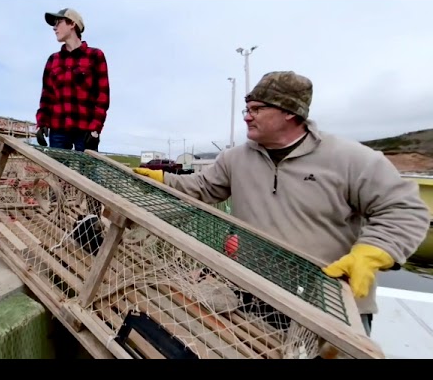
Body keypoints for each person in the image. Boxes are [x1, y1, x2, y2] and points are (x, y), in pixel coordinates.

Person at [133, 70, 430, 337]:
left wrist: (374, 251)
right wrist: (163, 180)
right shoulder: (235, 159)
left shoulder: (351, 158)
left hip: (332, 305)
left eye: (257, 109)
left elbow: (404, 210)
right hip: (255, 297)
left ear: (289, 112)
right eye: (246, 109)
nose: (247, 116)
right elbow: (202, 188)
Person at [35, 8, 110, 152]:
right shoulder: (53, 60)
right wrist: (42, 122)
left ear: (72, 24)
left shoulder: (95, 56)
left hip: (86, 130)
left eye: (58, 22)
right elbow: (46, 96)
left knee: (85, 174)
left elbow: (102, 97)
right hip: (58, 130)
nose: (54, 28)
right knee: (58, 173)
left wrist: (95, 129)